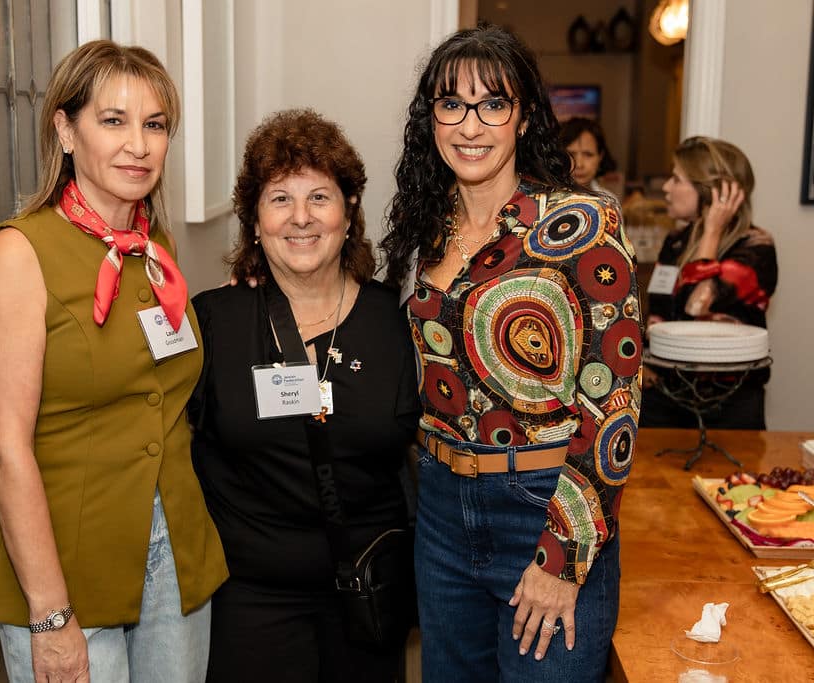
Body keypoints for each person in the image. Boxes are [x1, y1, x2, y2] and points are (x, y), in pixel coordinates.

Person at [380, 23, 641, 682]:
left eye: (492, 104)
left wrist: (562, 557)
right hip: (441, 509)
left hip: (543, 505)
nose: (471, 125)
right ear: (431, 118)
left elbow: (613, 407)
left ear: (524, 117)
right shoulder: (422, 225)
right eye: (452, 104)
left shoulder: (582, 225)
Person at [0, 40, 226, 682]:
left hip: (176, 556)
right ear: (65, 130)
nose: (138, 145)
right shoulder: (21, 252)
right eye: (114, 121)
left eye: (155, 125)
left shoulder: (154, 244)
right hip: (67, 575)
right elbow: (5, 448)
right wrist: (50, 616)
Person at [189, 109, 420, 683]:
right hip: (249, 603)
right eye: (279, 199)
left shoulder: (397, 320)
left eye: (319, 197)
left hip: (369, 591)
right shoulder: (214, 322)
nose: (300, 217)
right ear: (254, 220)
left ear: (349, 212)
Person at [641, 136, 777, 429]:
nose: (666, 188)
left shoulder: (756, 247)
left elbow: (696, 306)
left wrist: (712, 232)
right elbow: (659, 309)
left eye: (677, 180)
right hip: (666, 393)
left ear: (713, 192)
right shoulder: (675, 241)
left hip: (729, 402)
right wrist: (645, 361)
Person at [558, 117, 617, 194]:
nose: (579, 164)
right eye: (571, 154)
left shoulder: (609, 199)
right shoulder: (545, 199)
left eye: (588, 155)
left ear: (600, 156)